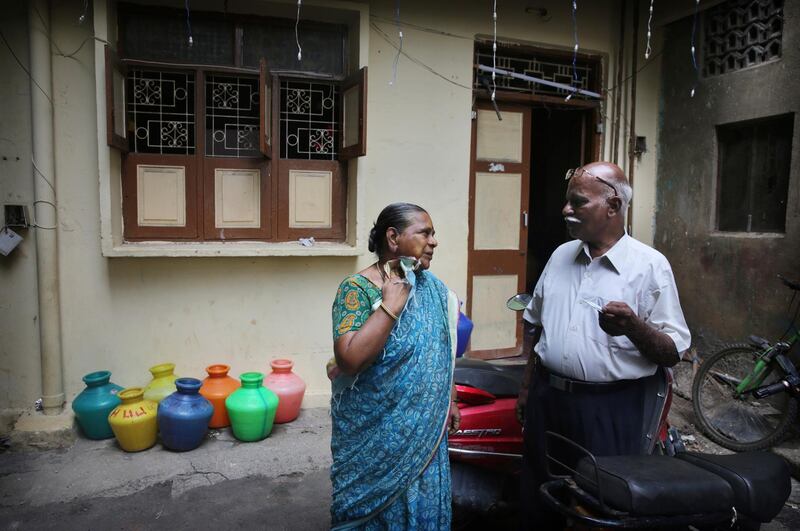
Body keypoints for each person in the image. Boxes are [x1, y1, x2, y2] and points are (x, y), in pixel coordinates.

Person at [515, 162, 691, 528]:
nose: (566, 210)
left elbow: (672, 351)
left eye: (578, 202)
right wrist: (527, 388)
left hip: (610, 409)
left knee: (600, 505)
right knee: (540, 496)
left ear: (612, 206)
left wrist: (633, 327)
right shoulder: (561, 256)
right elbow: (536, 328)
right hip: (549, 401)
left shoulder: (649, 266)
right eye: (568, 202)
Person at [329, 203, 461, 530]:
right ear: (393, 237)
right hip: (376, 439)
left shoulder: (435, 289)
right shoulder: (358, 290)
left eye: (434, 234)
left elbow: (441, 350)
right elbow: (349, 359)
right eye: (425, 233)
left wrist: (451, 398)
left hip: (425, 432)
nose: (434, 242)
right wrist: (390, 305)